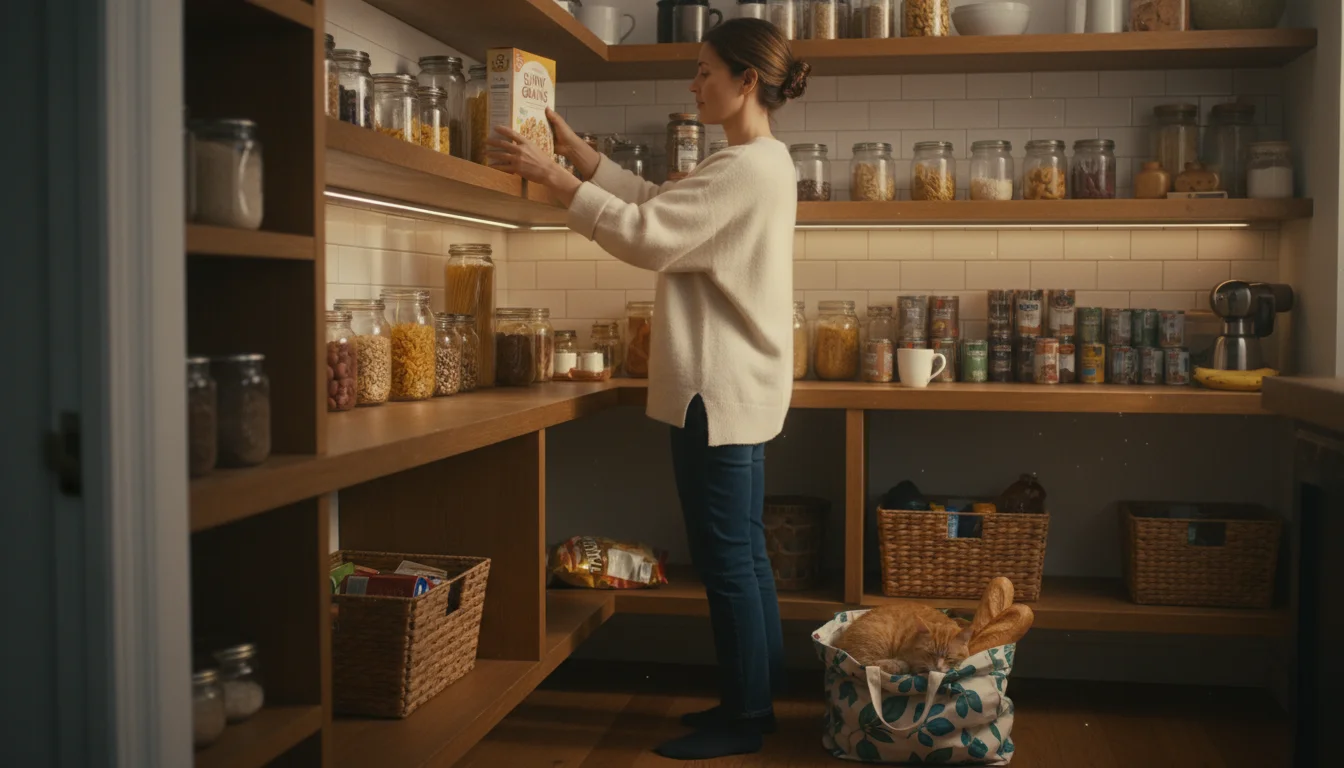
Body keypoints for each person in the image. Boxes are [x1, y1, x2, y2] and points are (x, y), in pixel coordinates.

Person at [487, 18, 810, 761]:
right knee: (745, 554)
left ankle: (746, 717)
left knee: (726, 557)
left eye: (704, 73)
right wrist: (584, 158)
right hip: (737, 390)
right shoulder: (758, 162)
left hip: (715, 392)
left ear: (746, 81)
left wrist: (557, 180)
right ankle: (753, 704)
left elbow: (648, 235)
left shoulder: (744, 168)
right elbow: (663, 207)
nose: (693, 86)